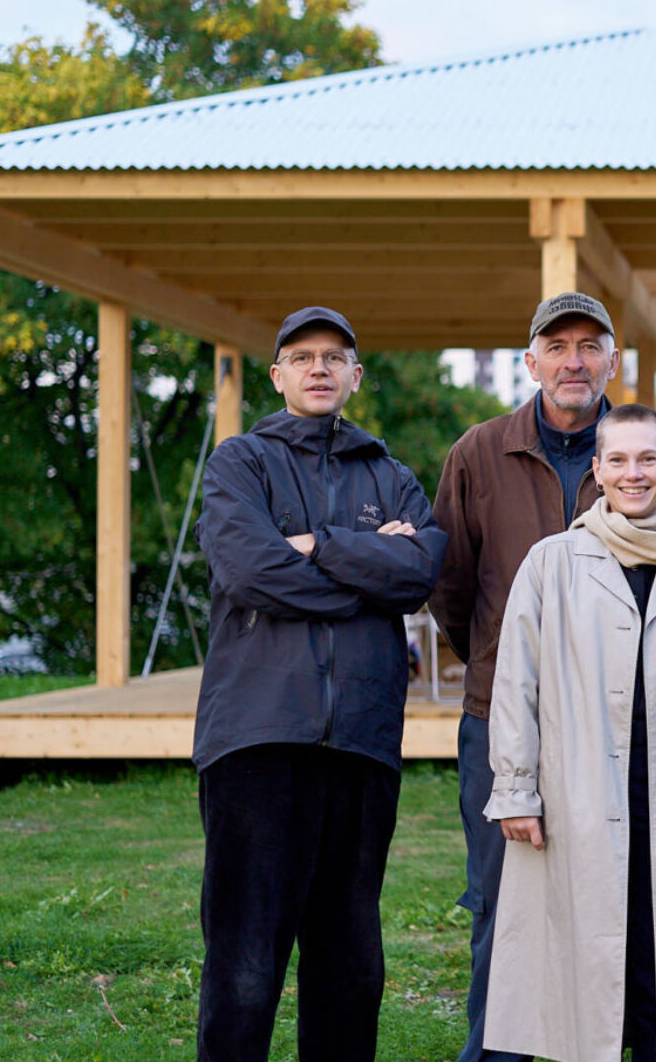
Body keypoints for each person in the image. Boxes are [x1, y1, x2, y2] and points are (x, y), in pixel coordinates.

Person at [192, 305, 448, 1062]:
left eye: (335, 357)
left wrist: (321, 547)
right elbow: (250, 570)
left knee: (347, 965)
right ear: (278, 375)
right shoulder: (239, 463)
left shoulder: (391, 475)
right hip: (257, 738)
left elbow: (419, 572)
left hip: (363, 743)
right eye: (302, 356)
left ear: (355, 377)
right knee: (244, 965)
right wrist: (366, 568)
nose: (319, 368)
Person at [484, 403, 656, 1062]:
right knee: (592, 970)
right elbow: (516, 683)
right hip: (579, 798)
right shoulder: (552, 563)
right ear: (598, 472)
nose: (633, 473)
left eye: (646, 459)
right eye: (618, 460)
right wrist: (516, 788)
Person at [429, 292, 618, 1062]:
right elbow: (451, 585)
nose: (574, 361)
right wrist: (497, 666)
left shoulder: (637, 446)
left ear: (613, 359)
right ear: (531, 359)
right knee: (501, 900)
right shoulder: (478, 452)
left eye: (589, 345)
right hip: (498, 719)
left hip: (617, 718)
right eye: (558, 345)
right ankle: (498, 1051)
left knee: (611, 901)